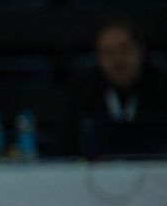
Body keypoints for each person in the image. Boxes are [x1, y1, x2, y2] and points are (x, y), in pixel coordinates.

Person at [60, 20, 167, 156]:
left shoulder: (161, 86)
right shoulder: (83, 91)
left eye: (125, 50)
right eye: (108, 52)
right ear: (98, 57)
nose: (118, 60)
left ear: (140, 50)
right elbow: (68, 147)